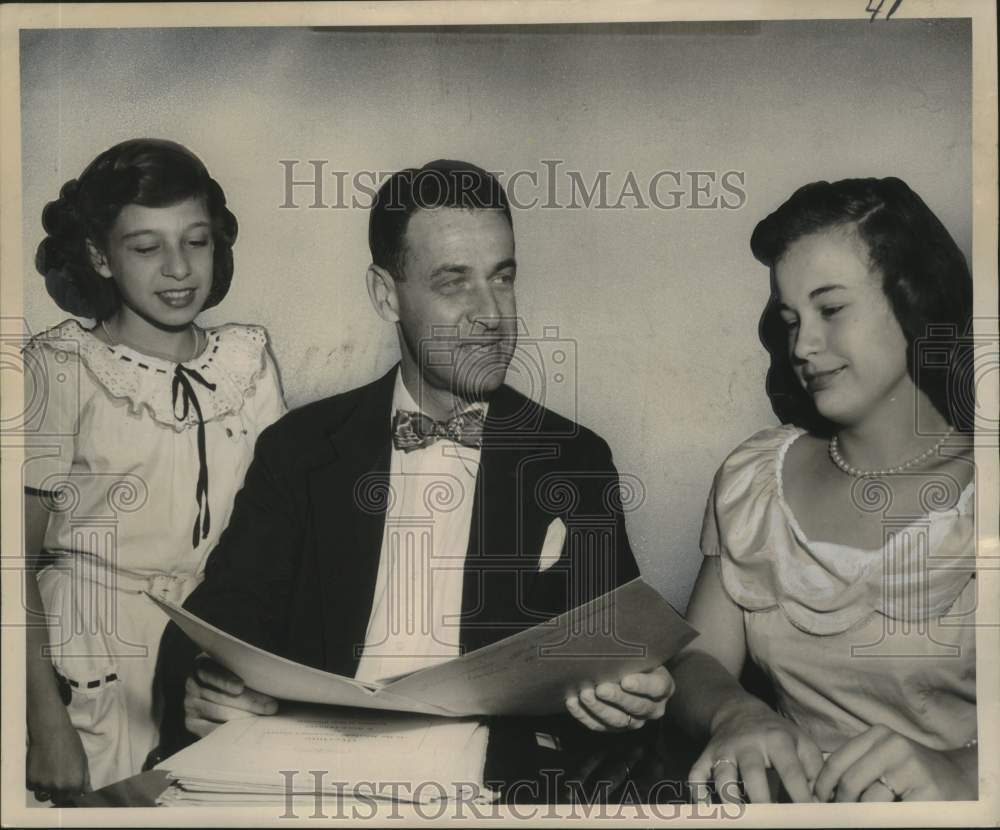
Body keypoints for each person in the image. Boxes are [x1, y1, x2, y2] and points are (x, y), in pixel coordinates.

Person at [158, 159, 673, 754]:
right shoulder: (299, 448)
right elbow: (218, 623)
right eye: (454, 282)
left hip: (491, 790)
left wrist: (640, 689)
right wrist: (201, 682)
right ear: (385, 295)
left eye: (502, 278)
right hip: (314, 780)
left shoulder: (573, 458)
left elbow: (626, 643)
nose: (492, 315)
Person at [666, 177, 977, 803]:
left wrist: (966, 773)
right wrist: (735, 712)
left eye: (831, 310)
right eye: (790, 320)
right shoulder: (755, 478)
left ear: (914, 299)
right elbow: (695, 661)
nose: (804, 346)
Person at [23, 139, 287, 801]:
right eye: (146, 248)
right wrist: (43, 719)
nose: (178, 269)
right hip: (88, 657)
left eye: (195, 241)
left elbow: (283, 536)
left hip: (212, 651)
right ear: (98, 256)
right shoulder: (60, 366)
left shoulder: (248, 362)